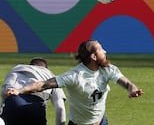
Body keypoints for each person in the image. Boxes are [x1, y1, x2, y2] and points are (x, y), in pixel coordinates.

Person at [6, 40, 144, 125]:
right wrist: (19, 90)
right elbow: (43, 85)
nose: (105, 51)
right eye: (101, 49)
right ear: (94, 56)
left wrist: (132, 89)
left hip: (101, 121)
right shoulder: (75, 76)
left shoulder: (108, 69)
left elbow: (125, 82)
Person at [0, 57, 66, 125]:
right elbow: (60, 108)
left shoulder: (17, 69)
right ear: (45, 68)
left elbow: (5, 93)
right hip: (36, 109)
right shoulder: (51, 76)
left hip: (13, 104)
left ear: (30, 65)